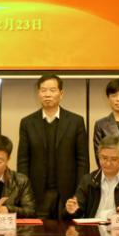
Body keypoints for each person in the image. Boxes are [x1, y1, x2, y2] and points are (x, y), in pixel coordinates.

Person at [18, 74, 89, 219]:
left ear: (61, 94)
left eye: (52, 90)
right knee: (37, 232)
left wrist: (79, 193)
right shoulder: (27, 123)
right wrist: (25, 193)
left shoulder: (76, 121)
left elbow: (82, 160)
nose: (47, 94)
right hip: (37, 194)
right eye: (43, 90)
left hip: (68, 194)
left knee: (67, 231)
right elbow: (23, 161)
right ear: (38, 93)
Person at [65, 136, 119, 219]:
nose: (108, 163)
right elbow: (76, 210)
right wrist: (70, 210)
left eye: (113, 159)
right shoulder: (88, 180)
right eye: (104, 158)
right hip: (93, 228)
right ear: (98, 156)